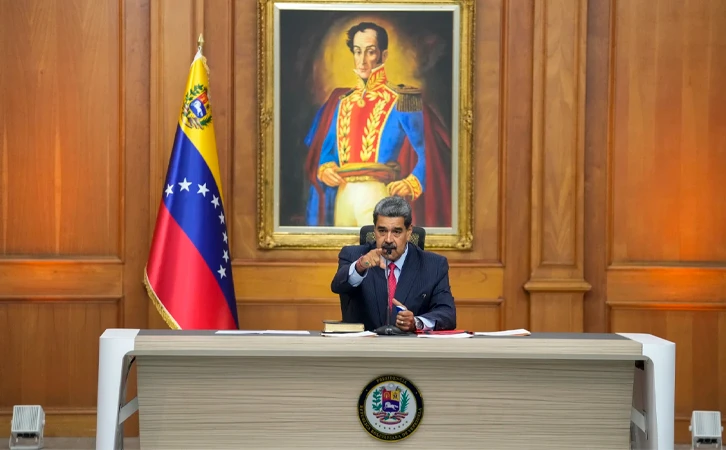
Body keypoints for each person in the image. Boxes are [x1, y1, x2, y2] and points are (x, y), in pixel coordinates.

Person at [304, 21, 452, 228]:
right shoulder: (340, 102)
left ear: (384, 55)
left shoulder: (402, 100)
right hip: (343, 196)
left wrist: (412, 182)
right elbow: (327, 151)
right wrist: (326, 167)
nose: (362, 60)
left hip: (377, 194)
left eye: (370, 52)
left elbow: (428, 152)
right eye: (357, 51)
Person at [331, 196, 456, 332]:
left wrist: (416, 323)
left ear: (409, 232)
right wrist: (360, 266)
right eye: (382, 231)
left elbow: (447, 315)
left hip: (410, 344)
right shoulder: (353, 256)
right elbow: (338, 286)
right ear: (374, 230)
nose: (388, 239)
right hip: (364, 343)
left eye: (396, 232)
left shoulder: (433, 265)